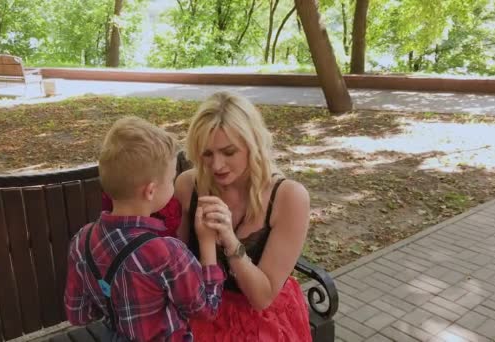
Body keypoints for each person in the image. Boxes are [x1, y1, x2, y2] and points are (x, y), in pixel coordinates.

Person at [65, 116, 225, 341]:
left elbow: (79, 315)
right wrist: (207, 244)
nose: (173, 184)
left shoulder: (81, 240)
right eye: (171, 180)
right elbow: (206, 310)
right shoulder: (167, 252)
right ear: (150, 191)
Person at [175, 92, 312, 341]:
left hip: (261, 322)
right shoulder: (187, 186)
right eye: (207, 154)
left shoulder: (288, 197)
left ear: (253, 145)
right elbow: (176, 266)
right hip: (201, 313)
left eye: (229, 152)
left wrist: (230, 240)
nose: (217, 165)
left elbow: (262, 298)